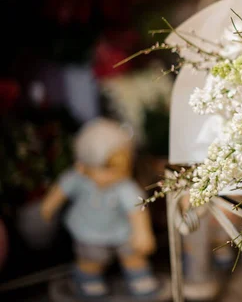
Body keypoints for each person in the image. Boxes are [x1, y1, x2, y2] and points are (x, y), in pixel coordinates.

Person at [41, 118, 159, 298]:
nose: (116, 175)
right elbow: (60, 190)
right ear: (84, 165)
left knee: (133, 255)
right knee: (91, 260)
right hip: (89, 232)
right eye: (108, 169)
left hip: (121, 232)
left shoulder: (123, 186)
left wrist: (142, 233)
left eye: (123, 168)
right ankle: (88, 279)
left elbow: (137, 209)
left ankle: (138, 276)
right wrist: (48, 207)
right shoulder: (79, 179)